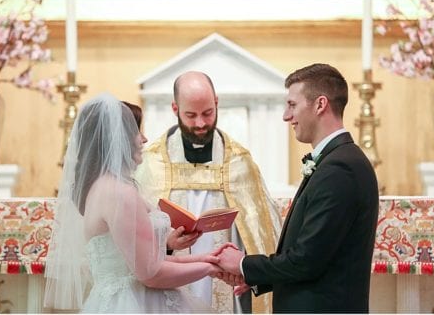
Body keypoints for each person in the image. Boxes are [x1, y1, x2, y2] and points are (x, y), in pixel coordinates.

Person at [216, 63, 379, 312]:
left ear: (320, 104)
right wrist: (257, 277)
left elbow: (306, 260)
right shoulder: (335, 161)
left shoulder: (340, 169)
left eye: (292, 105)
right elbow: (319, 257)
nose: (286, 116)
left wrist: (243, 264)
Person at [43, 94, 229, 312]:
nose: (144, 139)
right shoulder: (119, 193)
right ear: (118, 138)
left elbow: (146, 262)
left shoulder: (100, 186)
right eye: (136, 131)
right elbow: (151, 274)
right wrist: (209, 268)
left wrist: (205, 258)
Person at [134, 71, 282, 313]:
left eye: (207, 113)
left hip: (227, 281)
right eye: (191, 115)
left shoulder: (239, 161)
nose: (201, 123)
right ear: (175, 108)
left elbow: (262, 232)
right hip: (170, 286)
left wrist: (244, 263)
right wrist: (166, 244)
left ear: (216, 102)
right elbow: (134, 235)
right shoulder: (152, 163)